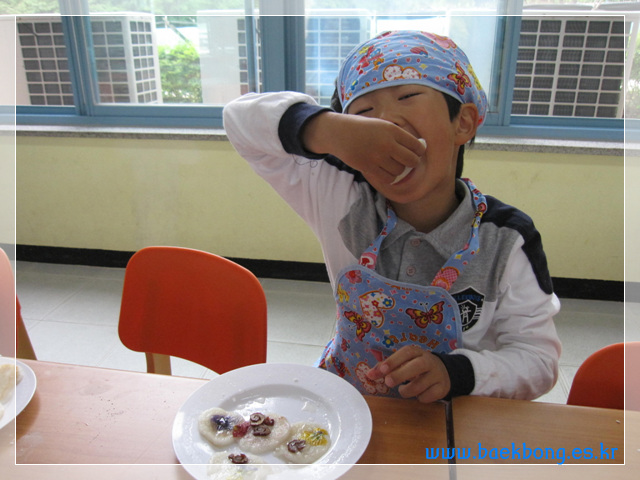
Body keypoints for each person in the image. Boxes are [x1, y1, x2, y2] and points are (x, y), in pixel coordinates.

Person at [223, 30, 561, 403]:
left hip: (450, 420)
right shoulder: (339, 194)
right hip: (346, 406)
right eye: (364, 114)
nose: (385, 125)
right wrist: (325, 129)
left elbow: (539, 361)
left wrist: (458, 372)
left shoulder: (508, 240)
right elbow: (238, 120)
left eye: (408, 96)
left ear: (462, 123)